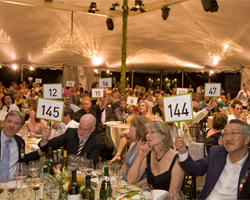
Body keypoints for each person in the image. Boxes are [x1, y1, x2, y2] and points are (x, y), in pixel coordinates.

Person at [175, 119, 250, 200]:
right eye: (225, 134)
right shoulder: (217, 153)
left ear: (246, 139)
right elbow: (195, 169)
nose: (228, 138)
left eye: (233, 133)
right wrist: (183, 152)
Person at [127, 120, 185, 194]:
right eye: (147, 133)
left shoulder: (177, 159)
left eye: (152, 132)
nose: (148, 136)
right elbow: (131, 180)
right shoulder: (150, 155)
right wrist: (140, 156)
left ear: (164, 135)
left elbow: (173, 196)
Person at [39, 114, 104, 165]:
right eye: (80, 128)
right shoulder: (71, 133)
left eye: (85, 130)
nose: (81, 132)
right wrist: (44, 139)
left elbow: (90, 165)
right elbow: (49, 147)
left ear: (93, 129)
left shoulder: (97, 143)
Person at [0, 111, 41, 182]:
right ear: (3, 123)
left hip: (12, 185)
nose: (12, 125)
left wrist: (40, 152)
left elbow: (22, 158)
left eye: (16, 123)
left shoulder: (20, 142)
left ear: (20, 128)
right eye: (9, 121)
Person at [121, 116, 151, 186]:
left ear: (138, 129)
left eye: (131, 126)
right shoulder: (133, 145)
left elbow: (135, 180)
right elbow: (124, 168)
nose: (129, 129)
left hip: (135, 186)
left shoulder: (146, 149)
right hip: (124, 183)